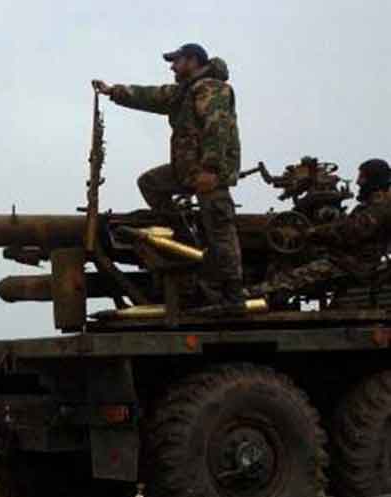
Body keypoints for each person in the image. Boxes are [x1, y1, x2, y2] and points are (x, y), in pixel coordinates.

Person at [93, 43, 244, 311]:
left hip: (208, 173)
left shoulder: (210, 88)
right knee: (150, 183)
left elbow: (217, 128)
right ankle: (184, 238)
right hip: (187, 171)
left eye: (177, 61)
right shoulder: (183, 92)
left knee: (220, 231)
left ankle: (233, 298)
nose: (172, 67)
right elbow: (150, 96)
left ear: (193, 61)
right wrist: (112, 91)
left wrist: (210, 169)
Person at [246, 159, 391, 299]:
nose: (358, 182)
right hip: (345, 260)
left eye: (362, 177)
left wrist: (309, 232)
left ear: (374, 179)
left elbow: (351, 231)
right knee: (286, 260)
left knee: (287, 280)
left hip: (352, 266)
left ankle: (248, 294)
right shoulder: (373, 206)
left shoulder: (380, 207)